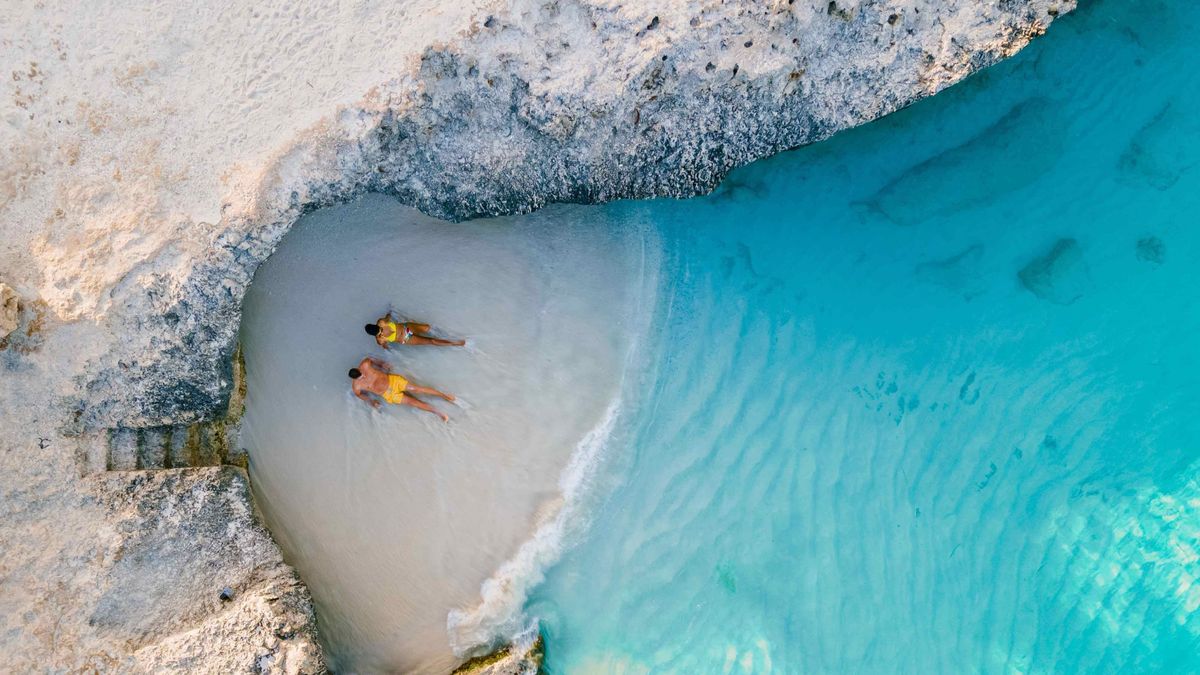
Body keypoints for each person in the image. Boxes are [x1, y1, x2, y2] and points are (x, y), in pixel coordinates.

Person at [348, 357, 454, 422]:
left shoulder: (365, 364)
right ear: (355, 379)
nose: (363, 377)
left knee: (418, 389)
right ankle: (439, 413)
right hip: (389, 394)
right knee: (414, 402)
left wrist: (382, 364)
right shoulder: (357, 385)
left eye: (362, 374)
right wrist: (372, 402)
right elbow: (359, 395)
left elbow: (371, 358)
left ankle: (444, 395)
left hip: (393, 381)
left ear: (359, 369)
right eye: (360, 377)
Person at [365, 315, 464, 349]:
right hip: (406, 328)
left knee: (432, 341)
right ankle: (454, 334)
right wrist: (390, 312)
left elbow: (385, 346)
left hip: (406, 339)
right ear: (374, 325)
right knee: (428, 328)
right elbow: (388, 316)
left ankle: (457, 343)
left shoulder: (379, 340)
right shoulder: (381, 322)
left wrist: (387, 347)